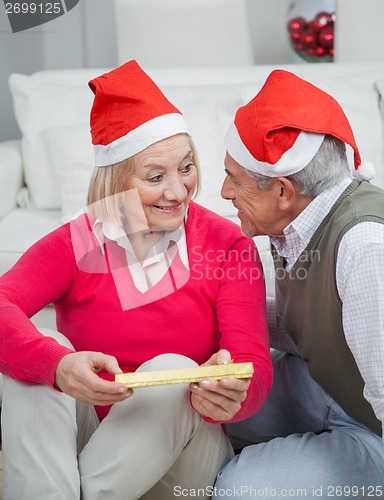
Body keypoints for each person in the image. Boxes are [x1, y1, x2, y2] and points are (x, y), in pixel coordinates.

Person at [0, 61, 273, 500]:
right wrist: (55, 364)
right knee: (32, 362)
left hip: (185, 454)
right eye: (155, 177)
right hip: (92, 444)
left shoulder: (229, 247)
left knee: (173, 370)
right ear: (115, 182)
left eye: (186, 167)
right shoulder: (79, 241)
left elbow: (254, 368)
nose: (179, 191)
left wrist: (234, 391)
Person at [214, 69, 384, 498]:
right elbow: (305, 326)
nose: (223, 191)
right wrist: (211, 307)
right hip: (328, 386)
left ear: (284, 191)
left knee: (240, 491)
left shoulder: (366, 246)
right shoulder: (293, 222)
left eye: (235, 178)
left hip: (374, 427)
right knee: (198, 403)